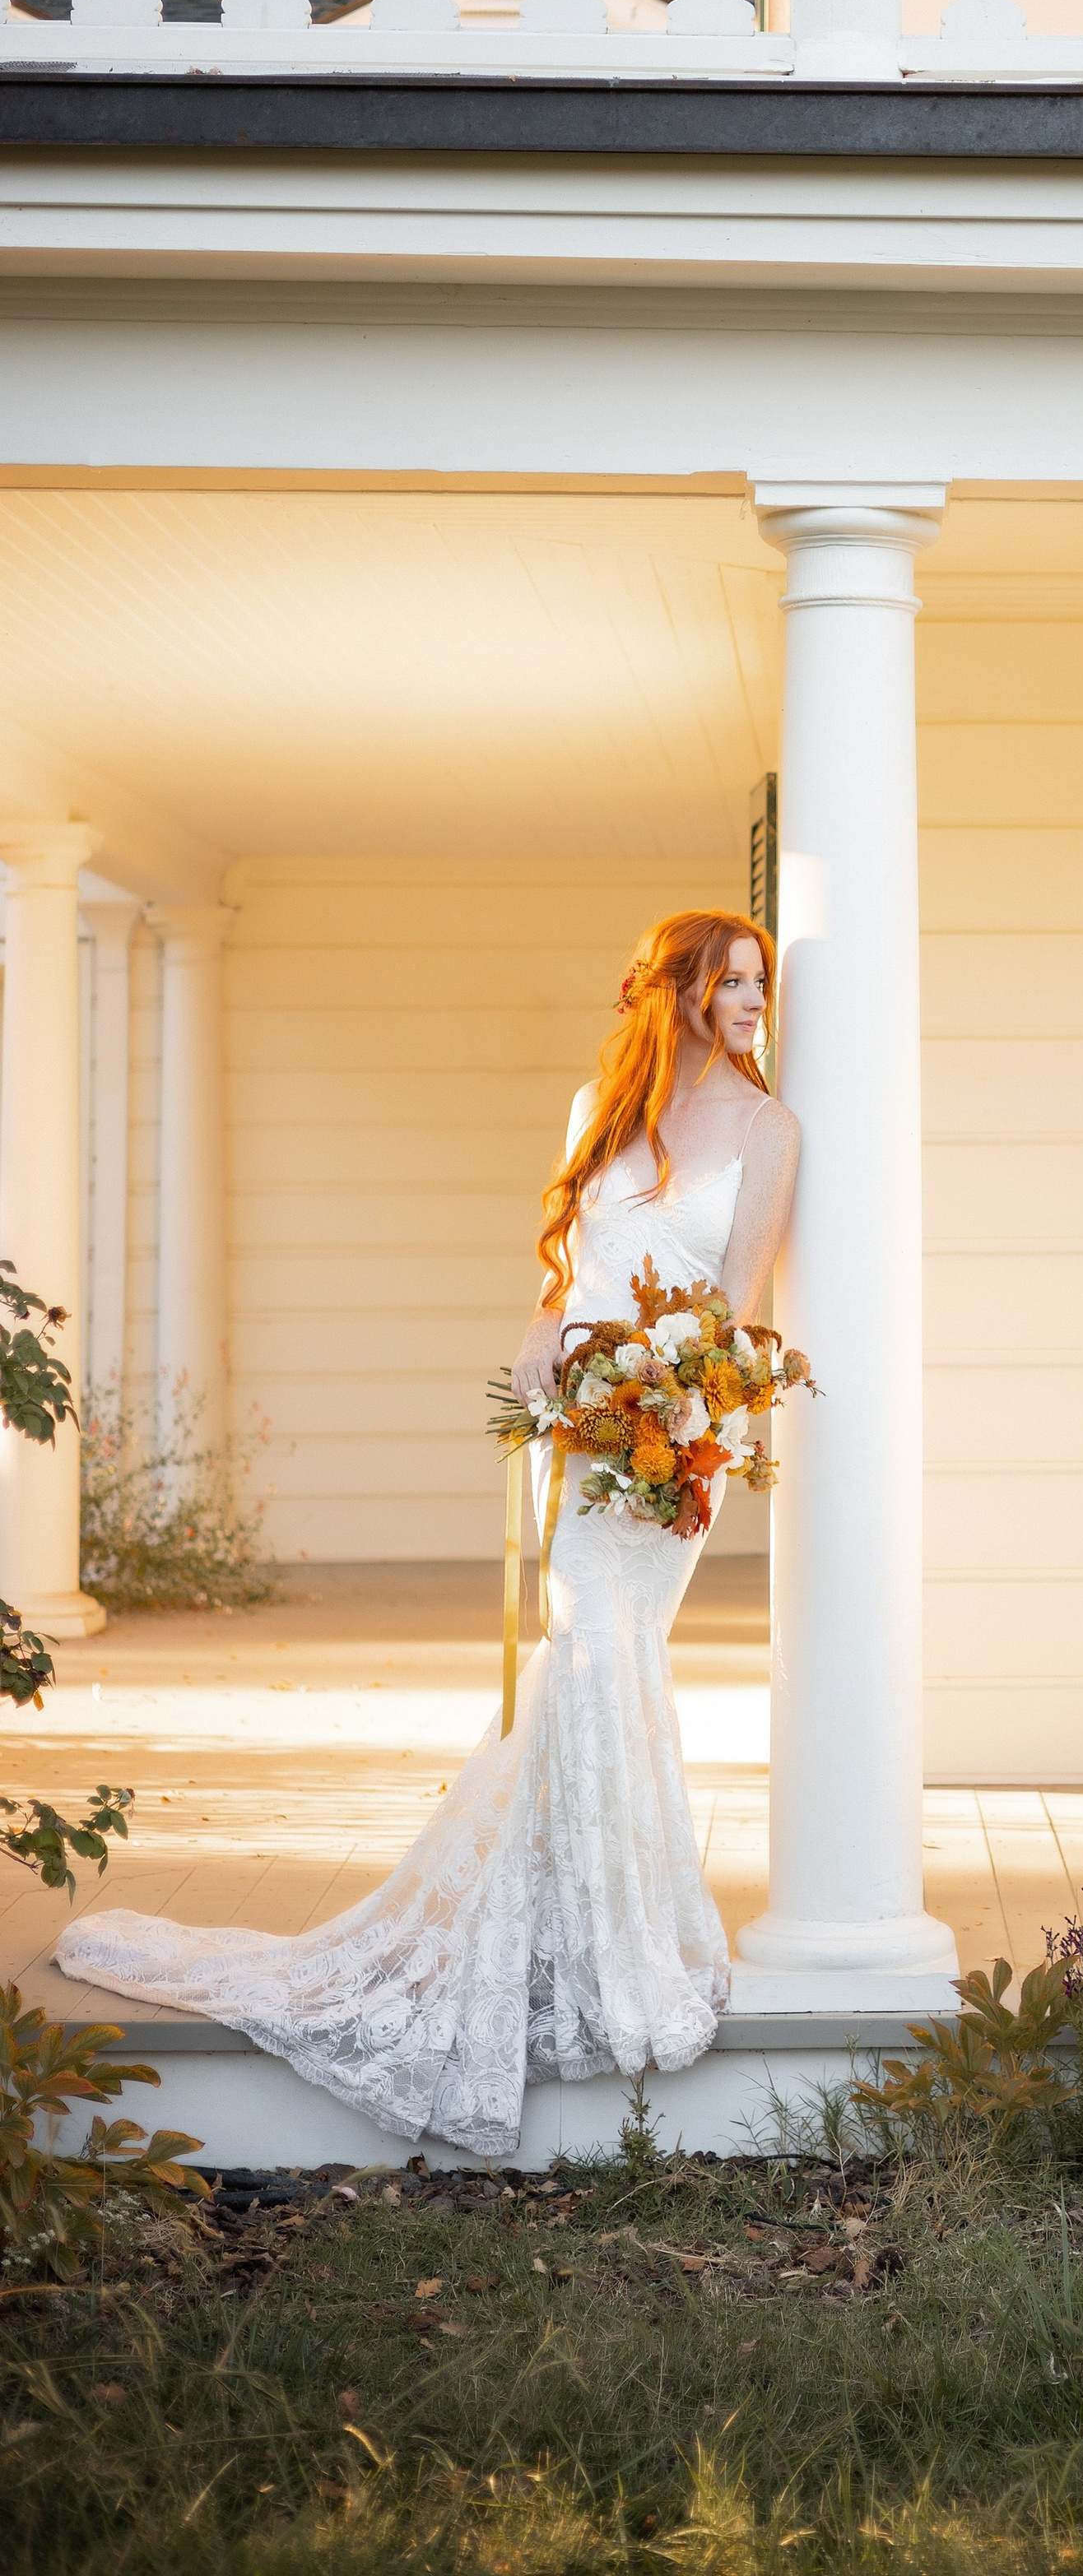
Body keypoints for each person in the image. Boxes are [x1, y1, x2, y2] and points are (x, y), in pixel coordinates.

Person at [58, 911, 799, 2157]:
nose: (748, 1001)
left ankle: (623, 1945)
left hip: (669, 1436)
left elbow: (737, 1310)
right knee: (583, 1656)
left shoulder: (769, 1131)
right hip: (573, 1428)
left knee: (615, 1653)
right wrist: (538, 1366)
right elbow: (567, 1281)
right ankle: (580, 1937)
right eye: (728, 981)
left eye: (759, 984)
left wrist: (656, 1406)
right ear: (673, 991)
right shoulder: (597, 1110)